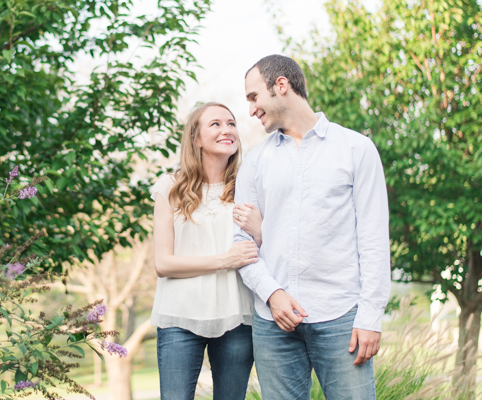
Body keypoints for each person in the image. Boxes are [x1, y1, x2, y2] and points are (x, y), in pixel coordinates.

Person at [234, 55, 391, 400]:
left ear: (281, 85)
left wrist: (370, 317)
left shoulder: (356, 149)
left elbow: (374, 240)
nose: (250, 110)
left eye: (253, 97)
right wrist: (272, 294)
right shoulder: (256, 162)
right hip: (273, 324)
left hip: (341, 318)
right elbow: (241, 245)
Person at [151, 103, 263, 400]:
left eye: (231, 123)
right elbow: (163, 263)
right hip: (179, 317)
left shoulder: (248, 188)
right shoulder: (170, 188)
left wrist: (260, 229)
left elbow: (269, 249)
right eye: (215, 124)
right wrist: (224, 260)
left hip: (237, 316)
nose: (227, 129)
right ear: (195, 138)